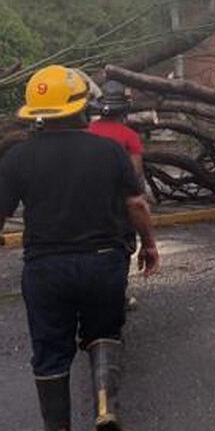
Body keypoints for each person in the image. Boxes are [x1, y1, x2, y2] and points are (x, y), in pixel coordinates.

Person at [0, 64, 159, 431]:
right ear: (81, 108)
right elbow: (135, 204)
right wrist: (148, 245)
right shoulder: (109, 150)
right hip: (104, 262)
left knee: (50, 349)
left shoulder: (19, 156)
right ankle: (105, 405)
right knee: (103, 333)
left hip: (47, 267)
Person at [88, 80, 145, 310]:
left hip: (87, 201)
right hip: (118, 206)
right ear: (126, 109)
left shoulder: (86, 131)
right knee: (119, 250)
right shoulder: (129, 135)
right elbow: (136, 173)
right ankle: (115, 299)